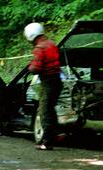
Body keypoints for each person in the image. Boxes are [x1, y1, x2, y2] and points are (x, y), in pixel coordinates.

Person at [24, 22, 63, 150]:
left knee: (44, 110)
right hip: (57, 80)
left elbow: (35, 68)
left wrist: (30, 67)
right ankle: (54, 135)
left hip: (48, 82)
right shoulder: (52, 44)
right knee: (51, 109)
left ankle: (47, 142)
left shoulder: (40, 48)